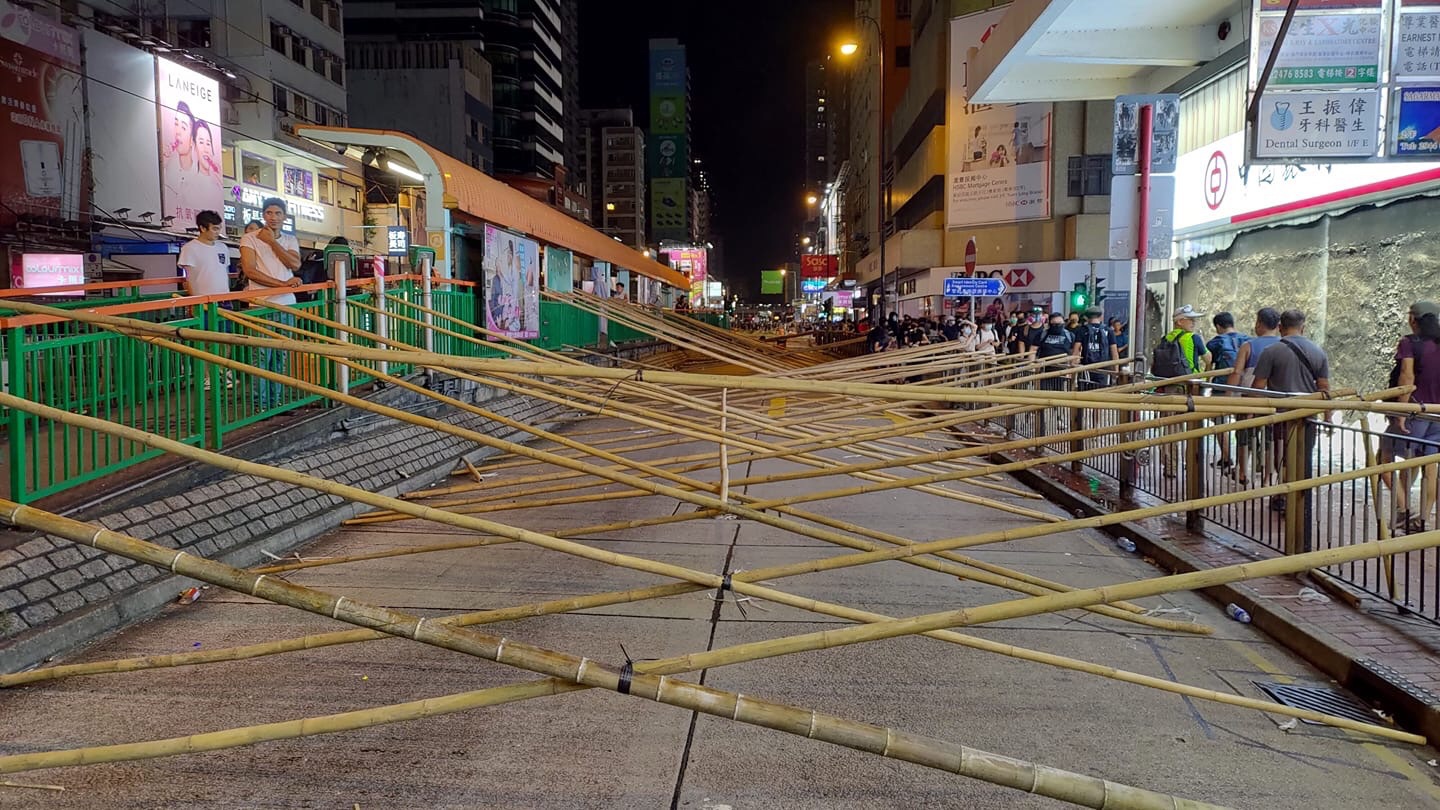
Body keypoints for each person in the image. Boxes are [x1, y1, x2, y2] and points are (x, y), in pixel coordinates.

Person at [1253, 309, 1331, 517]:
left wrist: (1254, 414)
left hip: (1281, 415)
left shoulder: (1271, 351)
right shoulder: (1318, 352)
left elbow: (1258, 387)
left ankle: (1285, 495)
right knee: (1303, 457)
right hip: (1308, 416)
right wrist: (1328, 417)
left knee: (1283, 456)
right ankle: (1299, 499)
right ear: (1303, 327)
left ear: (1280, 327)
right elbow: (1324, 388)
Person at [240, 198, 303, 411]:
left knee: (280, 357)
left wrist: (272, 242)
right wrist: (282, 284)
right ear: (263, 215)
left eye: (277, 213)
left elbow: (294, 264)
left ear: (284, 216)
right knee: (261, 358)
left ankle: (276, 403)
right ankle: (261, 405)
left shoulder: (289, 239)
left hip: (286, 305)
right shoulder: (249, 239)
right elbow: (250, 270)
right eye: (268, 213)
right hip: (261, 305)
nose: (273, 217)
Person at [1390, 301, 1440, 534]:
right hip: (1438, 413)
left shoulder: (1410, 343)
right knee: (1430, 466)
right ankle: (1424, 518)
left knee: (1386, 457)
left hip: (1416, 410)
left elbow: (1406, 376)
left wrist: (1400, 412)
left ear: (1413, 319)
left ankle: (1403, 511)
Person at [1226, 307, 1283, 486]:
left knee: (1244, 435)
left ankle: (1242, 471)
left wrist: (1226, 396)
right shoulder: (1283, 345)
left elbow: (1236, 372)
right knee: (1270, 440)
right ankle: (1269, 477)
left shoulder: (1248, 346)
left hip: (1249, 399)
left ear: (1259, 323)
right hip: (1273, 399)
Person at [1206, 312, 1249, 472]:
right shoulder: (1247, 340)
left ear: (1218, 326)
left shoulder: (1215, 342)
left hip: (1222, 387)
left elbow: (1210, 362)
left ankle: (1225, 456)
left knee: (1220, 423)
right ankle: (1242, 463)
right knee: (1243, 425)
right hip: (1243, 387)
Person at [1071, 306, 1117, 390]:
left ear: (1087, 317)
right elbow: (1114, 352)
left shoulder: (1082, 330)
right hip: (1104, 369)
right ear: (1101, 316)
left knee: (1086, 393)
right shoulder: (1108, 330)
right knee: (1102, 393)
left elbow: (1076, 351)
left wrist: (1073, 372)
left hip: (1086, 369)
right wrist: (1115, 372)